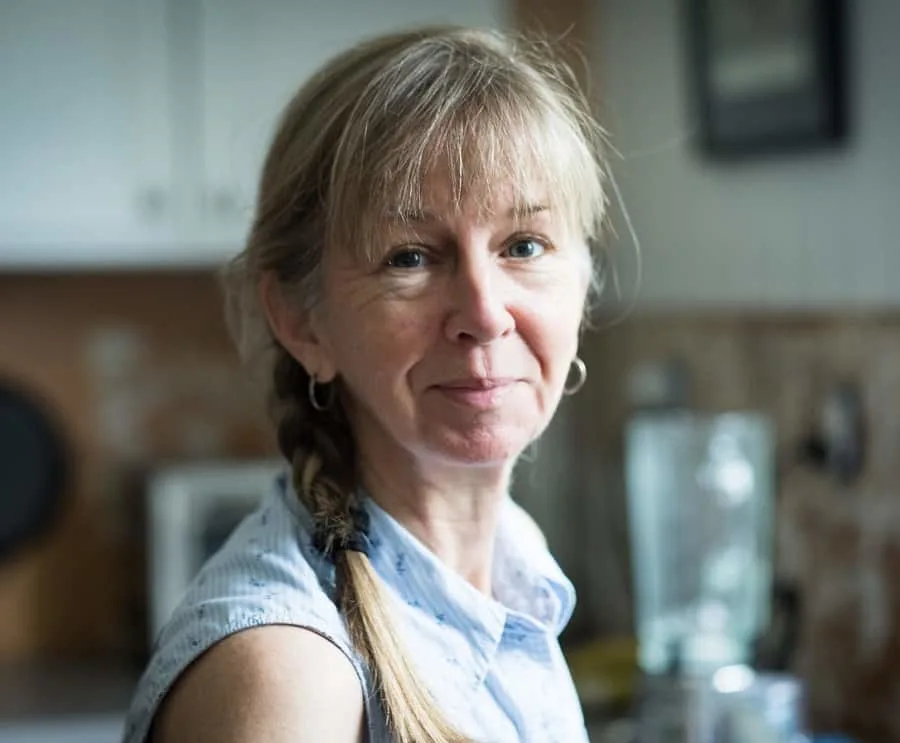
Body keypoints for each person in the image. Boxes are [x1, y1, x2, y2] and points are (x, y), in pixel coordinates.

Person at [122, 24, 609, 743]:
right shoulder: (285, 678)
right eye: (410, 257)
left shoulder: (514, 560)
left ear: (582, 278)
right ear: (301, 321)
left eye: (524, 245)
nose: (483, 312)